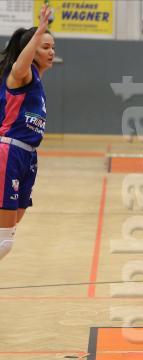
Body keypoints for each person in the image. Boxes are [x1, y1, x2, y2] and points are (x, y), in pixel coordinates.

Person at [0, 5, 54, 261]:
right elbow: (19, 67)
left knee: (13, 224)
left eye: (53, 47)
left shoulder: (37, 84)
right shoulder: (22, 75)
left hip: (28, 157)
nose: (51, 51)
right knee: (5, 242)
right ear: (32, 51)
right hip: (9, 151)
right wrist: (40, 29)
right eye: (45, 47)